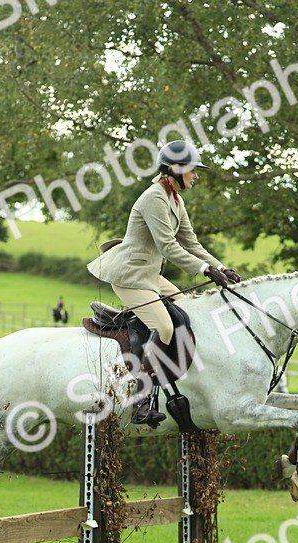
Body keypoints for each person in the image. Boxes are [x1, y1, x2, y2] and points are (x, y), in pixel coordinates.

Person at [86, 140, 241, 425]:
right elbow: (168, 246)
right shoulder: (154, 197)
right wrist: (206, 271)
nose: (196, 176)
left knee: (191, 309)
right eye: (193, 170)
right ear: (175, 169)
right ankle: (140, 401)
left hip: (150, 275)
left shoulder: (175, 200)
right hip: (130, 276)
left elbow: (190, 243)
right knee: (165, 326)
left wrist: (221, 267)